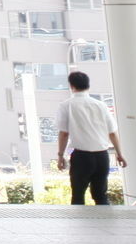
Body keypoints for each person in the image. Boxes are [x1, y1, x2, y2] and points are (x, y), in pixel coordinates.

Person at [54, 70, 126, 205]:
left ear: (71, 86)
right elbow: (112, 132)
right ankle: (105, 224)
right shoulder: (101, 105)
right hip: (102, 156)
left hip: (82, 157)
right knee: (101, 196)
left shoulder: (66, 105)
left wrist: (60, 156)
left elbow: (64, 133)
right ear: (88, 86)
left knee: (78, 196)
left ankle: (80, 226)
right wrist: (119, 154)